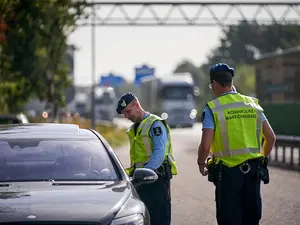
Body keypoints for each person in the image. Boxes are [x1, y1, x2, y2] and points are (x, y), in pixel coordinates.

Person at [197, 63, 276, 225]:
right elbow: (271, 137)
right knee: (251, 219)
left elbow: (205, 145)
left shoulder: (213, 109)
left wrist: (201, 162)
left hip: (227, 175)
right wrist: (262, 158)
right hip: (253, 172)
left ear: (215, 84)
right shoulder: (253, 104)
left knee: (229, 220)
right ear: (231, 82)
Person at [116, 92, 178, 225]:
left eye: (128, 111)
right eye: (124, 114)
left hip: (156, 179)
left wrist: (146, 172)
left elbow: (159, 154)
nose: (126, 116)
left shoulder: (155, 124)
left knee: (159, 218)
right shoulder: (134, 128)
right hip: (141, 181)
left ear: (137, 105)